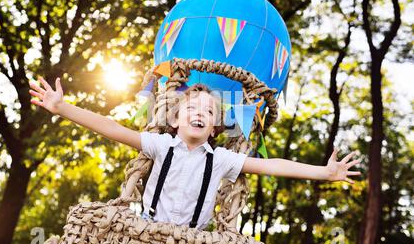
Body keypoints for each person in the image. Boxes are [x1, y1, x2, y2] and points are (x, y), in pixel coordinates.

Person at [29, 76, 362, 230]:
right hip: (147, 234)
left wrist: (325, 172)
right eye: (192, 107)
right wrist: (63, 108)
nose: (200, 112)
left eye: (208, 111)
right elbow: (111, 126)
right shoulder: (160, 145)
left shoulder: (221, 160)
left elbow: (272, 164)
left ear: (215, 126)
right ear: (175, 119)